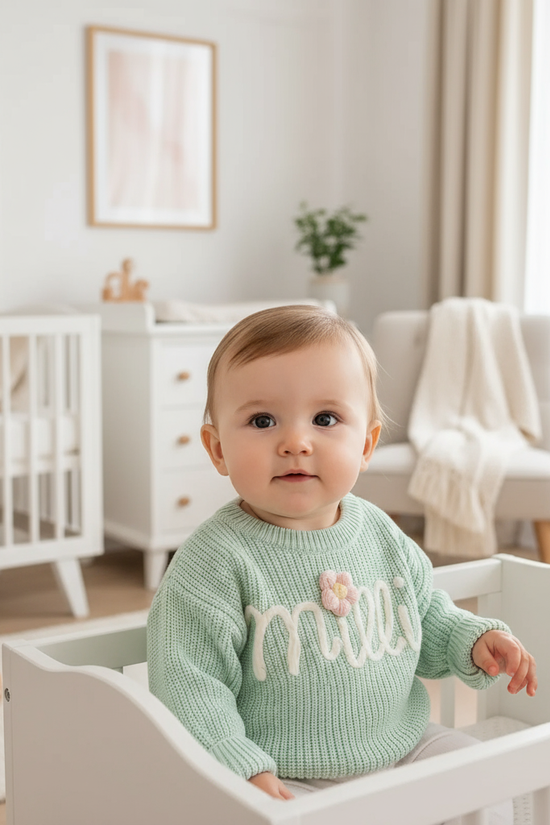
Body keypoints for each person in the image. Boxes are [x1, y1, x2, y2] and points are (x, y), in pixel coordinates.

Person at [147, 305, 536, 817]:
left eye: (325, 419)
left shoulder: (378, 531)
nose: (295, 442)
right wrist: (240, 764)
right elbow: (188, 683)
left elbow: (424, 615)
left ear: (367, 444)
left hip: (405, 744)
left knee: (487, 779)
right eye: (262, 420)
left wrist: (472, 640)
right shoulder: (212, 563)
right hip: (285, 772)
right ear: (217, 449)